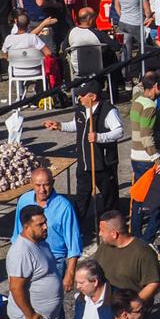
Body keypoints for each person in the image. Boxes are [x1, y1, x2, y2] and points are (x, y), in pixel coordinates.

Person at [44, 84, 125, 239]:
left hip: (103, 165)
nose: (79, 98)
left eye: (82, 95)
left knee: (110, 199)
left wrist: (100, 137)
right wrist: (59, 126)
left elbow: (119, 131)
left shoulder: (108, 111)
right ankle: (76, 230)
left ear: (92, 97)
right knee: (81, 199)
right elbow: (75, 125)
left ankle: (113, 230)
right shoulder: (81, 110)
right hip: (84, 164)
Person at [8, 205, 66, 319]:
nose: (45, 227)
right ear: (27, 227)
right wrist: (30, 315)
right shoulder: (21, 251)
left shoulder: (41, 243)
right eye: (40, 224)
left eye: (45, 222)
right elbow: (16, 287)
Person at [12, 166, 82, 292]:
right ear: (31, 184)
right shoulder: (24, 201)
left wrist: (70, 274)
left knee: (51, 306)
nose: (42, 190)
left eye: (46, 185)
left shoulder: (64, 207)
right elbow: (17, 233)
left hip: (53, 263)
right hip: (28, 260)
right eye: (38, 185)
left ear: (53, 183)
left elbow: (74, 244)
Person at [128, 71, 160, 251]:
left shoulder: (137, 101)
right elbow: (147, 136)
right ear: (156, 87)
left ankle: (136, 236)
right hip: (148, 160)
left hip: (136, 157)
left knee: (138, 198)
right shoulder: (150, 107)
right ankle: (148, 239)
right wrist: (158, 160)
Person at [95, 210, 160, 309]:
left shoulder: (143, 252)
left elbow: (153, 284)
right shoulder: (105, 246)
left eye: (102, 230)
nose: (99, 234)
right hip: (107, 303)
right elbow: (95, 269)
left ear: (114, 234)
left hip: (130, 307)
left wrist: (133, 305)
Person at [113, 0, 150, 82]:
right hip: (137, 23)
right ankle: (139, 73)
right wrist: (149, 17)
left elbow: (116, 6)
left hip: (123, 23)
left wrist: (123, 16)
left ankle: (127, 79)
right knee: (143, 49)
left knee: (125, 52)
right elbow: (147, 9)